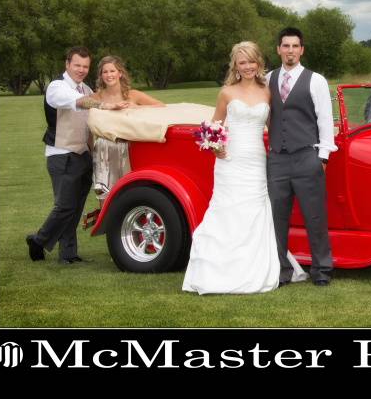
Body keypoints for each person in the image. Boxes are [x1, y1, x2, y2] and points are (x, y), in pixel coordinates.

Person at [182, 41, 308, 294]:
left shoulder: (268, 91)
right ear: (236, 66)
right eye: (243, 62)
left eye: (251, 61)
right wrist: (216, 147)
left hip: (257, 160)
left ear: (258, 62)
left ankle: (255, 268)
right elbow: (213, 127)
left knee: (255, 210)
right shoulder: (227, 92)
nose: (248, 66)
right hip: (230, 160)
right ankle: (217, 272)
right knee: (227, 210)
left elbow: (276, 128)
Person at [25, 47, 128, 264]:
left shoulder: (87, 88)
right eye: (77, 65)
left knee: (76, 207)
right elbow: (78, 102)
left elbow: (89, 125)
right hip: (61, 153)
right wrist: (106, 104)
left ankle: (68, 254)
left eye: (85, 66)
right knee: (65, 206)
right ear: (67, 64)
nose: (81, 70)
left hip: (83, 155)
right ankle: (38, 240)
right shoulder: (57, 87)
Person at [266, 28, 337, 287]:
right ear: (278, 49)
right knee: (276, 218)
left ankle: (322, 270)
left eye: (295, 46)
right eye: (286, 46)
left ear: (302, 50)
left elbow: (325, 119)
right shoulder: (268, 79)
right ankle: (282, 271)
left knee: (314, 216)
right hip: (277, 160)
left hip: (307, 156)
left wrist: (323, 157)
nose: (290, 51)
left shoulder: (316, 80)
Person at [90, 55, 164, 204]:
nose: (109, 75)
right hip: (103, 148)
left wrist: (138, 108)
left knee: (129, 190)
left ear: (120, 73)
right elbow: (80, 103)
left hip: (128, 148)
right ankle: (105, 226)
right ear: (100, 75)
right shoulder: (96, 97)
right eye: (105, 72)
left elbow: (161, 106)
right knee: (103, 192)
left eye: (112, 71)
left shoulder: (132, 94)